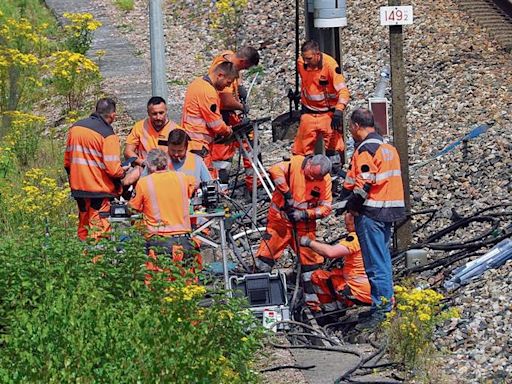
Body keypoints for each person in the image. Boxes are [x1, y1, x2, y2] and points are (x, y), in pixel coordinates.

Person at [340, 108, 406, 330]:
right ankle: (384, 305)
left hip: (372, 212)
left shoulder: (366, 149)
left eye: (350, 127)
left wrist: (351, 207)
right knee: (383, 260)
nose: (350, 132)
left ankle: (382, 310)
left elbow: (365, 181)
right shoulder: (388, 148)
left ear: (356, 126)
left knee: (375, 265)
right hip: (389, 210)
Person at [255, 154, 332, 309]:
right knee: (265, 258)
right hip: (280, 223)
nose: (313, 178)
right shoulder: (294, 165)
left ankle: (315, 305)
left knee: (312, 266)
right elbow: (274, 170)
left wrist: (305, 214)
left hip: (304, 226)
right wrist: (287, 194)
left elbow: (326, 207)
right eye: (312, 174)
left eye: (317, 177)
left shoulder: (325, 180)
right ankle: (257, 298)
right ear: (309, 163)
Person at [64, 97, 129, 240]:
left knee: (83, 228)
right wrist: (124, 171)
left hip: (79, 189)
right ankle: (96, 261)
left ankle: (83, 258)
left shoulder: (76, 128)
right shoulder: (108, 135)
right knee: (98, 232)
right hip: (98, 191)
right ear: (113, 115)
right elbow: (113, 170)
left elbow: (67, 162)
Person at [128, 149, 201, 272]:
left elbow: (132, 208)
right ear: (167, 163)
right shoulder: (182, 178)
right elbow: (196, 183)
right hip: (185, 241)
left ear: (150, 166)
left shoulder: (144, 183)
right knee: (187, 285)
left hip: (159, 242)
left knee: (159, 286)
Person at [293, 40, 350, 169]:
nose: (306, 62)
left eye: (309, 58)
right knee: (300, 151)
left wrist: (339, 110)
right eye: (304, 58)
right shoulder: (301, 63)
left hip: (328, 114)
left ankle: (333, 179)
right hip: (309, 113)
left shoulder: (330, 66)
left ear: (317, 54)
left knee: (333, 149)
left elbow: (343, 91)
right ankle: (303, 177)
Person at [208, 47, 260, 186]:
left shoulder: (229, 56)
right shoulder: (223, 72)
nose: (243, 71)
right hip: (222, 115)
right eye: (245, 67)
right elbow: (225, 101)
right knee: (222, 156)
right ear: (243, 62)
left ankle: (253, 183)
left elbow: (233, 60)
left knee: (250, 142)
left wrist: (240, 85)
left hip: (228, 115)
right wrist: (241, 107)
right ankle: (220, 188)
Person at [299, 213, 371, 312]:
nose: (346, 228)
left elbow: (331, 252)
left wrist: (307, 242)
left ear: (356, 223)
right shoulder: (372, 235)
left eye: (348, 225)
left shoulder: (356, 238)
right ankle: (335, 305)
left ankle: (335, 307)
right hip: (372, 287)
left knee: (319, 277)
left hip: (360, 291)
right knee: (331, 273)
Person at [181, 61, 237, 177]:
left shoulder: (196, 83)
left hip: (191, 141)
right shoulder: (208, 92)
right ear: (220, 75)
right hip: (199, 144)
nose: (227, 86)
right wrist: (228, 130)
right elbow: (215, 124)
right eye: (228, 82)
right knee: (205, 180)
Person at [124, 96, 180, 166]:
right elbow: (128, 151)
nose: (158, 117)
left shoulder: (176, 130)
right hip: (144, 168)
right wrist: (142, 162)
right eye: (154, 114)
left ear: (166, 111)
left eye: (161, 113)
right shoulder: (140, 127)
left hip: (168, 169)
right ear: (148, 113)